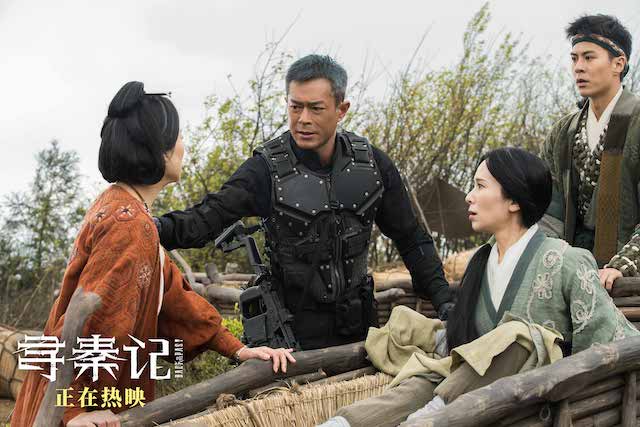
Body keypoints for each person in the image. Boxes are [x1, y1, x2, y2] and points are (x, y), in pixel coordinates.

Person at [11, 82, 294, 427]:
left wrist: (236, 348)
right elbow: (97, 317)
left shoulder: (122, 207)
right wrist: (74, 411)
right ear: (160, 151)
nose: (183, 146)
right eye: (179, 137)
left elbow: (172, 295)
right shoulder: (129, 225)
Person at [154, 55, 454, 350]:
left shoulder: (372, 165)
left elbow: (411, 239)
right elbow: (207, 217)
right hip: (290, 338)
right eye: (295, 107)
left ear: (341, 109)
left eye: (316, 108)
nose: (303, 119)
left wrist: (445, 303)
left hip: (361, 331)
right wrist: (150, 226)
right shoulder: (265, 170)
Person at [322, 148, 638, 427]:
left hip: (537, 404)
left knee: (520, 336)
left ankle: (431, 416)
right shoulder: (481, 265)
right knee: (428, 375)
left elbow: (611, 342)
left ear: (513, 200)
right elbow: (467, 351)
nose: (469, 197)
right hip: (471, 396)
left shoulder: (567, 261)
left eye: (480, 186)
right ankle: (342, 422)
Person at [539, 14, 640, 290]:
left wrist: (623, 264)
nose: (578, 68)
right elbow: (546, 212)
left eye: (589, 57)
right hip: (571, 274)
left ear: (618, 63)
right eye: (574, 59)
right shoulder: (563, 133)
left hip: (627, 279)